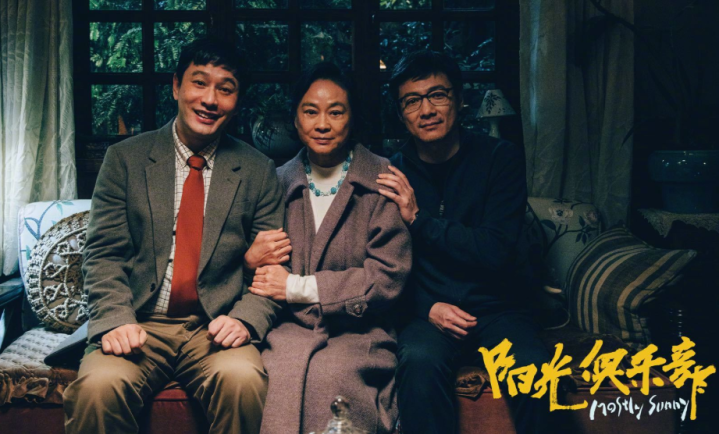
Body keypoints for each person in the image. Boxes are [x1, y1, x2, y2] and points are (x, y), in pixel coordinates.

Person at [59, 38, 289, 434]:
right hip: (139, 321)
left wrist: (246, 320)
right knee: (98, 388)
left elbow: (272, 272)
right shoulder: (125, 159)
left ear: (237, 102)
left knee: (243, 381)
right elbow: (103, 255)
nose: (210, 99)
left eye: (226, 89)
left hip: (214, 326)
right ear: (176, 86)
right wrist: (114, 319)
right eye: (199, 83)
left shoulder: (258, 171)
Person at [376, 50, 550, 434]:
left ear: (458, 99)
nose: (427, 110)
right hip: (429, 314)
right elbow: (383, 265)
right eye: (412, 101)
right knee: (418, 362)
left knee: (535, 372)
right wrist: (427, 307)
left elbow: (495, 250)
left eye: (438, 95)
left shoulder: (500, 158)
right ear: (401, 114)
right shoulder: (392, 173)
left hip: (499, 310)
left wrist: (419, 220)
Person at [247, 62, 412, 434]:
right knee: (277, 375)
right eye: (311, 111)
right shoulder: (274, 183)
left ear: (352, 119)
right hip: (288, 331)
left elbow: (386, 278)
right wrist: (249, 259)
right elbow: (256, 269)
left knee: (332, 376)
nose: (322, 124)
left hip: (361, 332)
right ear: (296, 119)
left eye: (336, 112)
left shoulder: (382, 180)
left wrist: (297, 287)